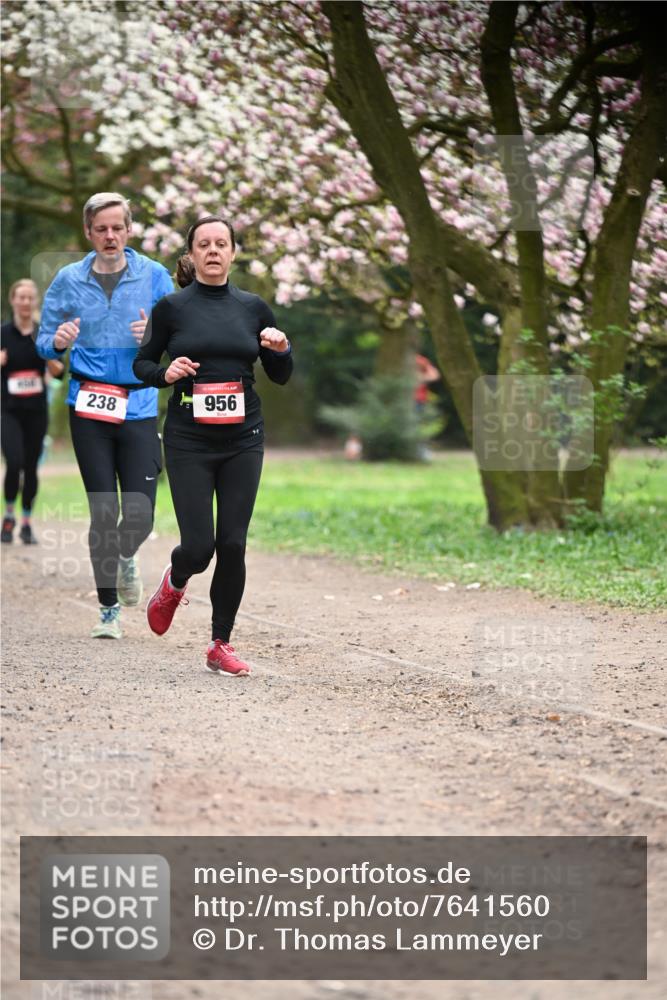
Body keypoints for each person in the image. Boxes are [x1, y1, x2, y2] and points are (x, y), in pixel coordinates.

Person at [133, 215, 293, 676]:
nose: (213, 251)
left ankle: (220, 643)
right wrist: (166, 373)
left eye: (221, 243)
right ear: (192, 253)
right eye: (204, 244)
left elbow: (280, 375)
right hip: (189, 440)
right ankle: (176, 580)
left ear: (233, 252)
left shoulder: (254, 308)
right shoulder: (172, 308)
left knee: (234, 543)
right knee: (200, 546)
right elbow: (142, 364)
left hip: (244, 437)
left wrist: (281, 350)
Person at [36, 192, 173, 639]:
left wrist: (154, 336)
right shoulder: (68, 280)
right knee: (103, 510)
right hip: (89, 404)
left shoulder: (154, 275)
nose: (110, 236)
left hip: (138, 405)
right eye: (101, 229)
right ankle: (108, 610)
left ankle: (127, 554)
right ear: (88, 233)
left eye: (117, 227)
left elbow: (181, 337)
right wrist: (58, 340)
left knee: (141, 514)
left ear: (129, 229)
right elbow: (43, 341)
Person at [1, 280, 63, 544]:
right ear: (13, 300)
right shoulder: (2, 334)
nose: (25, 302)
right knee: (14, 462)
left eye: (30, 297)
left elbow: (59, 371)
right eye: (21, 297)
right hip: (8, 411)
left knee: (31, 466)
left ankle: (26, 522)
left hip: (36, 411)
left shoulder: (43, 334)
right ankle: (9, 515)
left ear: (35, 302)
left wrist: (49, 359)